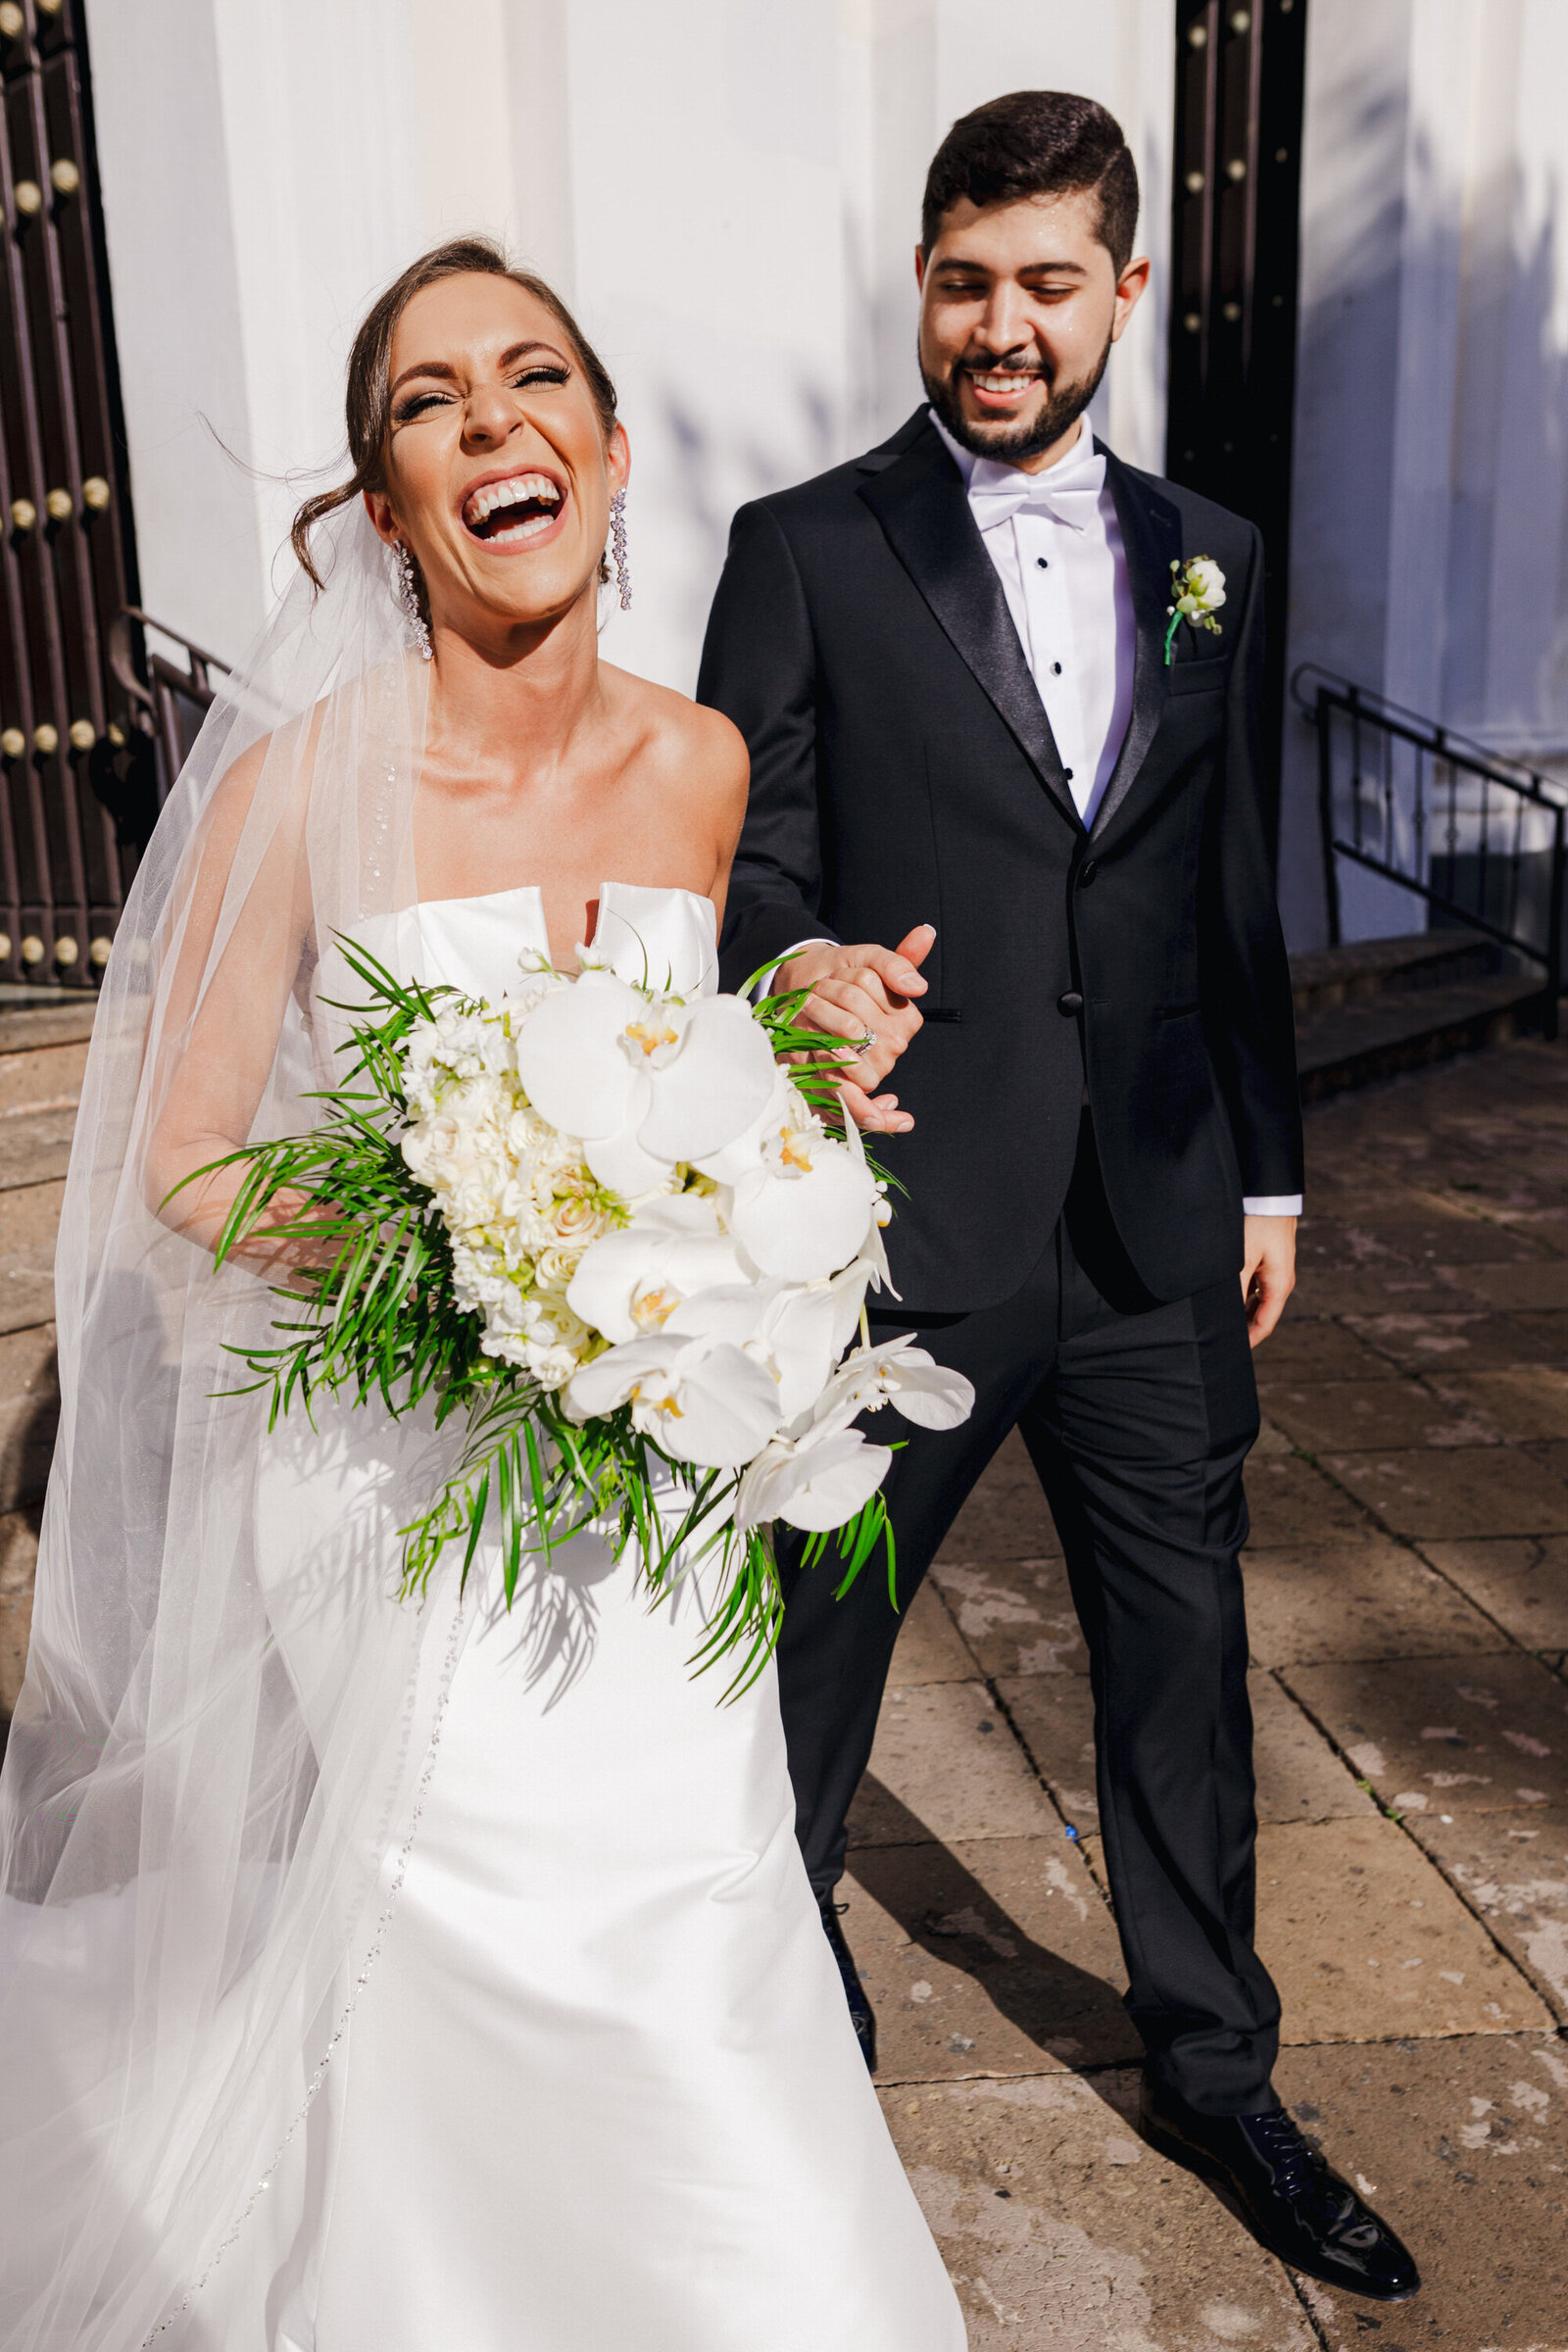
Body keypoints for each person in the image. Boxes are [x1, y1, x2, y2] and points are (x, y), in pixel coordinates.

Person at [0, 240, 964, 2351]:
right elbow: (182, 1157)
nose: (492, 419)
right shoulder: (288, 790)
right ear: (380, 511)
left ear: (611, 453)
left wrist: (787, 1038)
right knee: (460, 1909)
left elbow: (679, 1060)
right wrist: (471, 1248)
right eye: (430, 403)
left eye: (535, 379)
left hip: (655, 1470)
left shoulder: (701, 767)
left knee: (700, 1895)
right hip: (397, 1468)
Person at [700, 91, 1421, 2306]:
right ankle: (763, 2024)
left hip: (1159, 1221)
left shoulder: (1209, 548)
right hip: (901, 1223)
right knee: (813, 1657)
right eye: (959, 279)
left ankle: (1217, 2074)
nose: (996, 326)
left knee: (1181, 1674)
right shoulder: (806, 546)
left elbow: (1217, 894)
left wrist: (1273, 1168)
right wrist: (786, 989)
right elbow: (745, 882)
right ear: (920, 286)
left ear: (1117, 290)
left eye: (1040, 282)